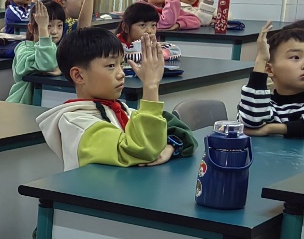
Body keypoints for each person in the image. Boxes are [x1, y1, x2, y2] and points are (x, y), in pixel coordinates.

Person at [36, 27, 196, 170]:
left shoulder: (120, 109)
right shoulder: (77, 124)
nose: (121, 74)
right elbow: (141, 150)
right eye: (111, 66)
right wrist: (151, 86)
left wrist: (169, 146)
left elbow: (179, 130)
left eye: (121, 64)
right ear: (78, 75)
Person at [8, 0, 66, 104]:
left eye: (59, 26)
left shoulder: (59, 49)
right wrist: (43, 29)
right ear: (31, 28)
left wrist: (61, 69)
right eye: (48, 26)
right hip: (19, 107)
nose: (54, 31)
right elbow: (47, 64)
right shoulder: (24, 48)